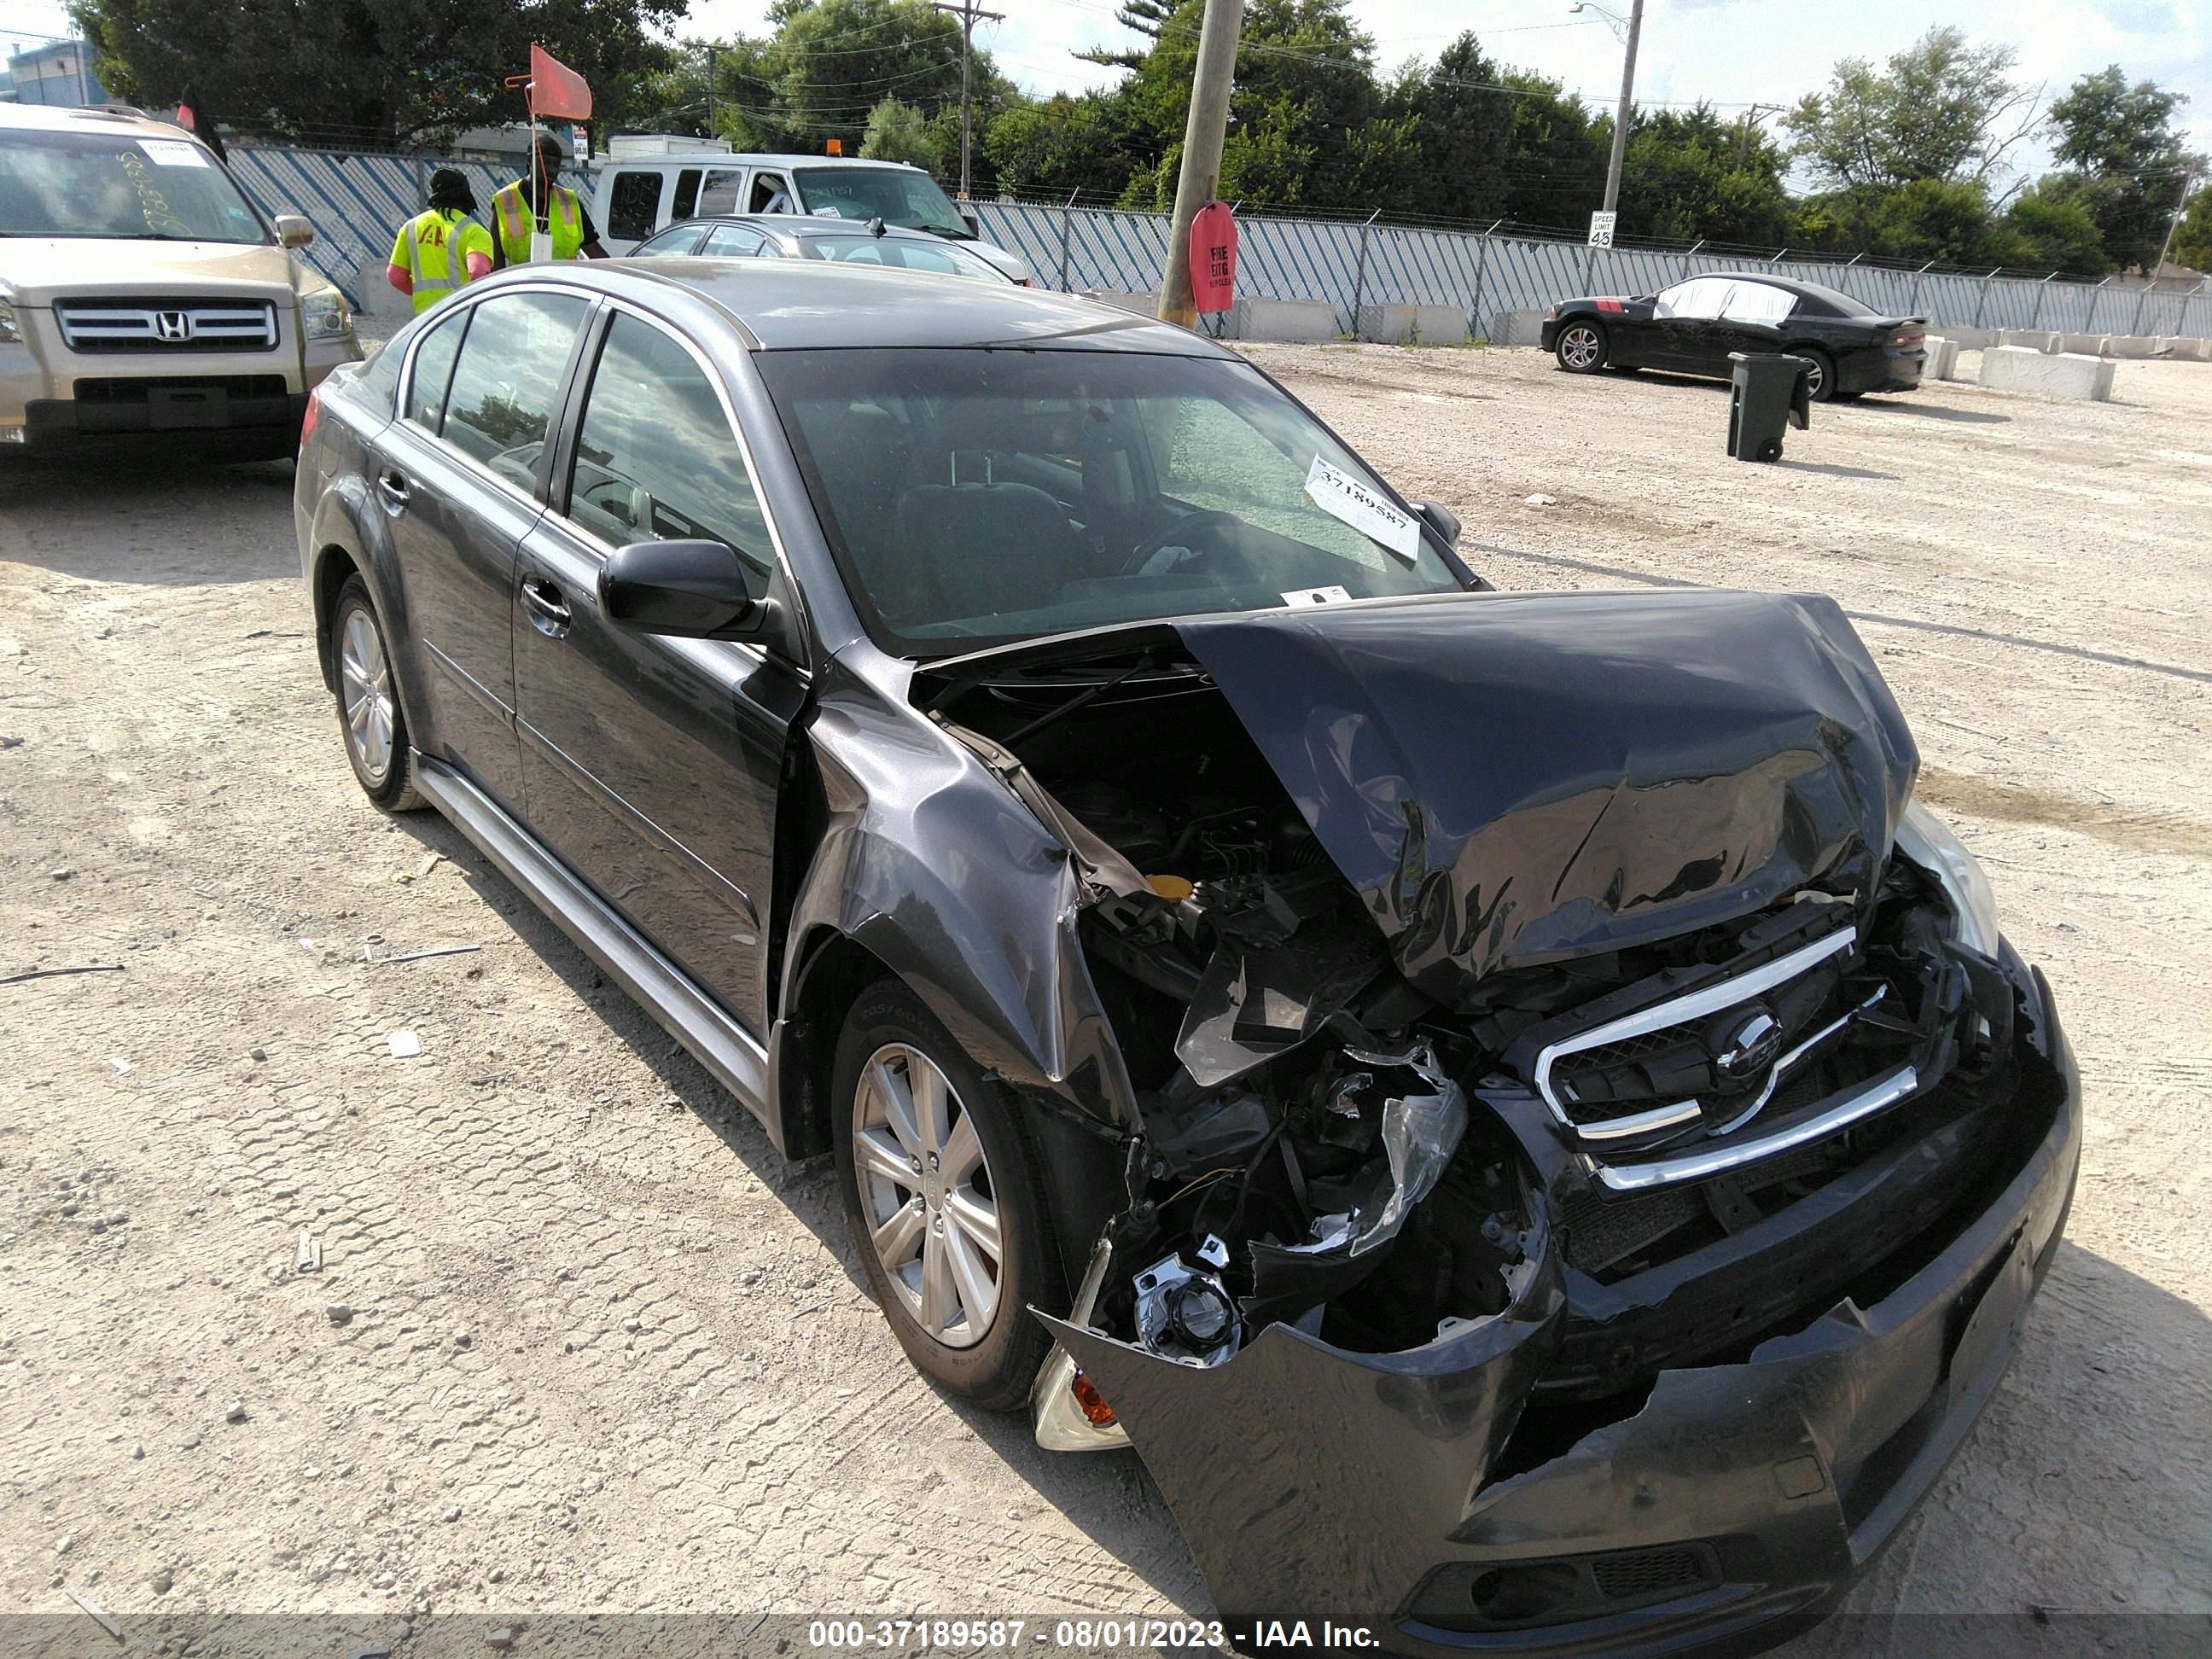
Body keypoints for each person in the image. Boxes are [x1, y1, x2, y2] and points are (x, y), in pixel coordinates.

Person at [489, 134, 608, 267]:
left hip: (562, 285)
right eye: (545, 162)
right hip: (524, 284)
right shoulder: (505, 200)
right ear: (530, 160)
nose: (551, 169)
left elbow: (594, 251)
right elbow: (496, 260)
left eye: (556, 164)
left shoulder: (569, 201)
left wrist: (616, 275)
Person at [386, 168, 493, 315]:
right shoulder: (474, 231)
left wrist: (424, 295)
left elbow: (395, 276)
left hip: (427, 319)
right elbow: (478, 272)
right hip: (460, 315)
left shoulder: (411, 227)